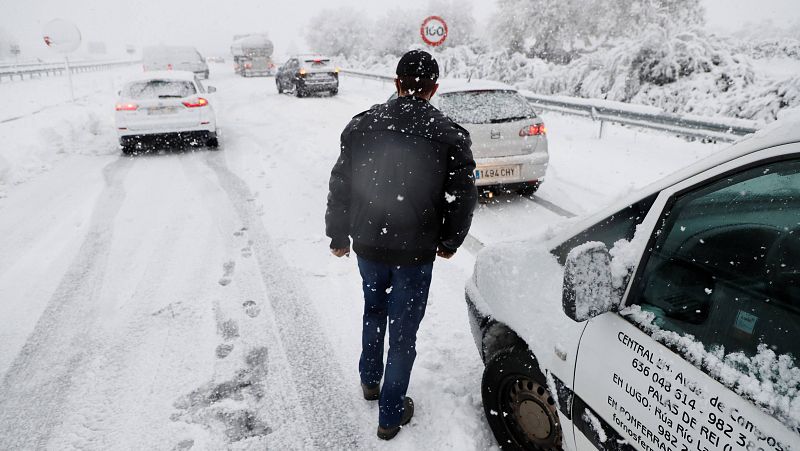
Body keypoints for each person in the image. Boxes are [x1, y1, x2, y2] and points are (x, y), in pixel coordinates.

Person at [325, 49, 477, 440]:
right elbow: (462, 196)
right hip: (415, 251)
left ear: (396, 82)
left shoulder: (362, 125)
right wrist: (450, 240)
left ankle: (369, 380)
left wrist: (338, 235)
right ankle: (390, 415)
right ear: (434, 88)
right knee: (404, 330)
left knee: (374, 309)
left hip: (369, 244)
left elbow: (341, 184)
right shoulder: (449, 135)